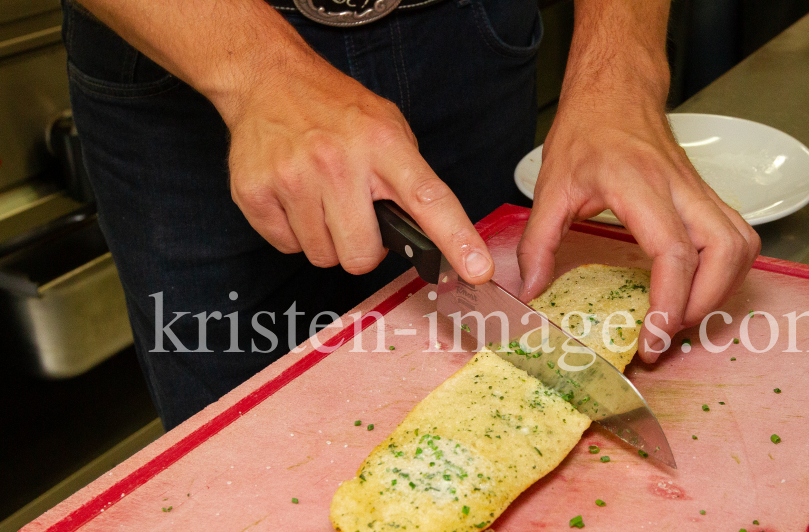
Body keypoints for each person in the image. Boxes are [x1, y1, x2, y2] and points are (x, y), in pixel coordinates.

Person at [63, 0, 760, 430]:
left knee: (488, 363)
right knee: (228, 471)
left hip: (469, 33)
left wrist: (624, 67)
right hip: (181, 46)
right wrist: (254, 68)